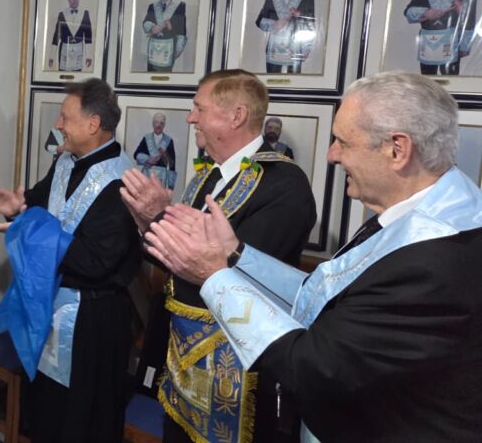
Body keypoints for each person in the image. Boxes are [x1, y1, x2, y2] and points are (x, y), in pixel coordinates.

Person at [145, 71, 482, 442]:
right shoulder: (425, 217)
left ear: (397, 150)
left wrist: (213, 275)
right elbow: (321, 293)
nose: (331, 155)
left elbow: (312, 366)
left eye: (343, 142)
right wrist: (235, 254)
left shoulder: (435, 261)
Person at [120, 69, 316, 443]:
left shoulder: (284, 184)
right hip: (183, 357)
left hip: (237, 366)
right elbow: (174, 262)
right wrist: (148, 223)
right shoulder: (209, 175)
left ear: (236, 116)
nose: (190, 118)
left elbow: (233, 274)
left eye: (199, 108)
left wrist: (158, 218)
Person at [0, 78, 139, 443]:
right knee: (46, 413)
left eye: (65, 117)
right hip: (51, 306)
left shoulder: (123, 182)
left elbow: (94, 261)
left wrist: (28, 226)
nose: (58, 124)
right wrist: (18, 210)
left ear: (93, 124)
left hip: (93, 320)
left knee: (84, 422)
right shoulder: (67, 161)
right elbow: (39, 205)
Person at [404, 0, 478, 76]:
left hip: (453, 41)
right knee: (427, 80)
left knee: (451, 80)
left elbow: (470, 17)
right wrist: (426, 13)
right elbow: (408, 11)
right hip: (427, 40)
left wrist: (465, 45)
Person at [255, 0, 316, 74]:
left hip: (296, 47)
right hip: (274, 47)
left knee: (294, 80)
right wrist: (274, 24)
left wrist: (307, 48)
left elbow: (310, 23)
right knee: (272, 79)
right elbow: (259, 21)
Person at [142, 0, 187, 72]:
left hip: (169, 46)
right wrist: (152, 28)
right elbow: (145, 22)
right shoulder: (152, 6)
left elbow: (182, 30)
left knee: (165, 76)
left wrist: (171, 27)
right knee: (151, 74)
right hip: (154, 46)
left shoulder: (180, 6)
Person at [50, 0, 93, 72]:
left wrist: (89, 56)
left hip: (78, 50)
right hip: (64, 49)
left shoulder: (85, 13)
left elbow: (88, 36)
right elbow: (56, 36)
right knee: (62, 75)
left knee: (77, 76)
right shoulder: (62, 14)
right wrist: (51, 56)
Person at [133, 112, 177, 189]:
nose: (158, 125)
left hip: (161, 178)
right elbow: (136, 155)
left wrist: (171, 186)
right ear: (153, 123)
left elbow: (172, 164)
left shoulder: (169, 141)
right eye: (156, 122)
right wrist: (148, 159)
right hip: (147, 175)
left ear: (164, 125)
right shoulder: (146, 138)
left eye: (161, 123)